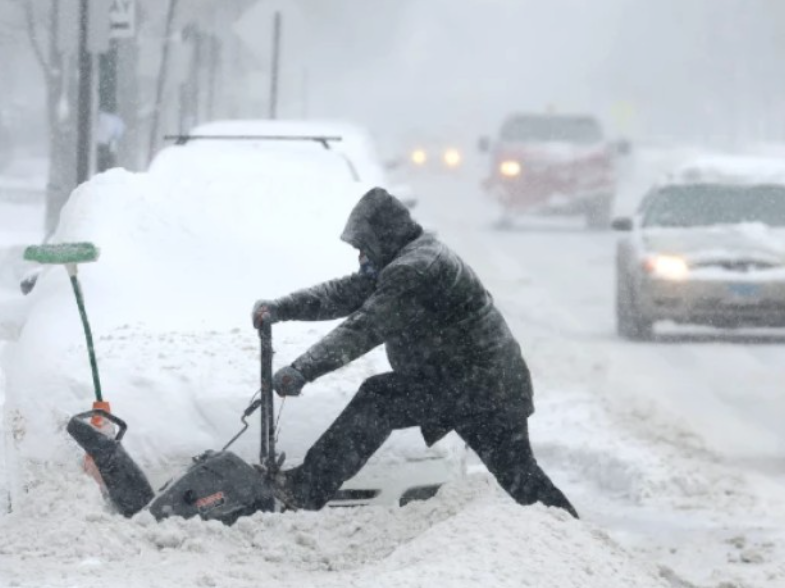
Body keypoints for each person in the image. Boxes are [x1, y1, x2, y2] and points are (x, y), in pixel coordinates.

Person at [251, 187, 578, 518]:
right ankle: (569, 534)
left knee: (378, 399)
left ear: (381, 237)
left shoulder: (416, 270)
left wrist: (303, 369)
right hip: (481, 383)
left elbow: (364, 328)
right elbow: (346, 293)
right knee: (520, 476)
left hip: (477, 384)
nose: (360, 256)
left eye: (362, 246)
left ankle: (306, 489)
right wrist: (282, 308)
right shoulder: (404, 259)